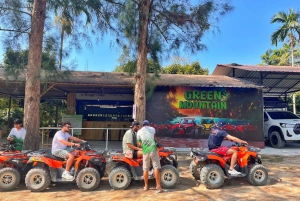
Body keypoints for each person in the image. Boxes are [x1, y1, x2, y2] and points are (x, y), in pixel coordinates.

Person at [137, 120, 165, 193]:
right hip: (153, 150)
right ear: (149, 124)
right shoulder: (152, 129)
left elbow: (139, 144)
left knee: (145, 168)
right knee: (156, 167)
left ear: (143, 125)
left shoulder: (139, 132)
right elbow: (155, 139)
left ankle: (146, 186)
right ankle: (158, 186)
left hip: (145, 151)